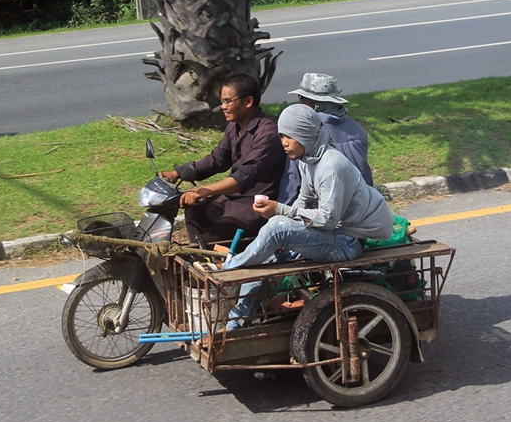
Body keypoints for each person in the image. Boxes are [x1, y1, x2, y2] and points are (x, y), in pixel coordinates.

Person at [220, 104, 394, 331]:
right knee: (270, 250)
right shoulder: (307, 159)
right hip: (332, 232)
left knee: (276, 229)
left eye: (289, 136)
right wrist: (288, 225)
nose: (283, 142)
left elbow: (327, 219)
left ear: (306, 134)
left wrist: (282, 212)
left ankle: (229, 268)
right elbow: (304, 201)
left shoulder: (331, 166)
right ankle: (236, 323)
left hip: (348, 240)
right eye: (282, 136)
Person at [160, 73, 286, 246]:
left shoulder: (267, 134)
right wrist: (177, 173)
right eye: (222, 101)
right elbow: (217, 159)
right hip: (231, 200)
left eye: (228, 101)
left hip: (253, 207)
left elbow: (246, 176)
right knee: (194, 209)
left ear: (248, 102)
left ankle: (205, 257)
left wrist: (206, 190)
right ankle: (203, 255)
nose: (223, 107)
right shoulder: (234, 127)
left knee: (203, 244)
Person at [278, 73, 374, 206]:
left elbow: (292, 184)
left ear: (313, 104)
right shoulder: (358, 130)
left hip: (325, 212)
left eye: (302, 98)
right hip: (361, 207)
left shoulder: (305, 133)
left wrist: (279, 214)